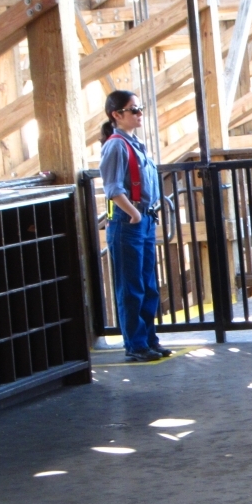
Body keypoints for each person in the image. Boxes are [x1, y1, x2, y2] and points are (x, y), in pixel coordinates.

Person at [100, 90, 171, 362]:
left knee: (147, 284)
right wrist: (133, 213)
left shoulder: (135, 143)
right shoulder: (116, 145)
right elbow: (113, 188)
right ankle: (135, 344)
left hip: (143, 220)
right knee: (131, 286)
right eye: (134, 110)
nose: (139, 114)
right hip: (129, 222)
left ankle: (148, 339)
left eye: (139, 109)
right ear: (116, 115)